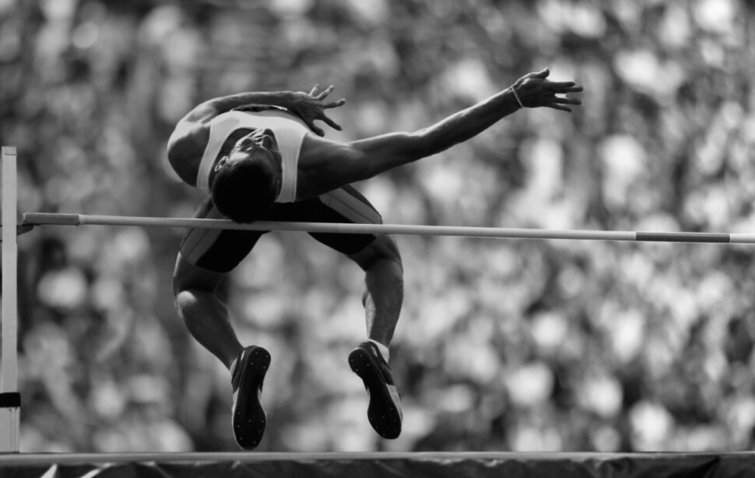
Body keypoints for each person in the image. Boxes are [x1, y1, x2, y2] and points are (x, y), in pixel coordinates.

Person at [167, 68, 582, 450]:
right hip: (308, 191)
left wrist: (282, 99)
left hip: (234, 204)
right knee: (383, 259)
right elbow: (423, 142)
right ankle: (376, 349)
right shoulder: (316, 164)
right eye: (262, 147)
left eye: (261, 144)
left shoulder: (187, 151)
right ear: (273, 178)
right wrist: (512, 98)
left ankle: (238, 362)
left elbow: (213, 106)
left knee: (190, 288)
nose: (262, 137)